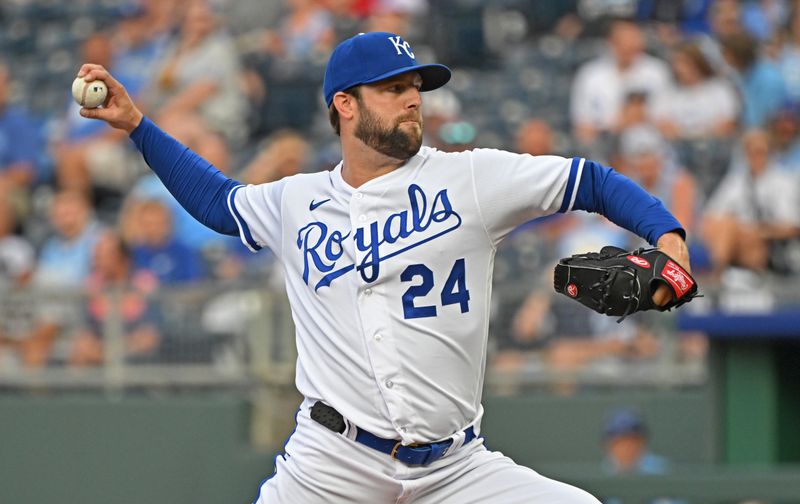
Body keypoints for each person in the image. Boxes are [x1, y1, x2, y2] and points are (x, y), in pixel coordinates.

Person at [77, 31, 690, 504]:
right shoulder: (295, 201)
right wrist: (135, 124)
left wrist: (669, 236)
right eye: (392, 88)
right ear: (345, 104)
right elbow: (217, 201)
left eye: (415, 87)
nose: (412, 99)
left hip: (456, 468)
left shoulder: (470, 178)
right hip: (331, 460)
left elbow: (591, 180)